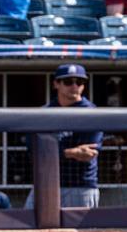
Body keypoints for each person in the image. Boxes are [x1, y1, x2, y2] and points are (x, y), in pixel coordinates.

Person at [25, 64, 102, 209]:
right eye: (68, 82)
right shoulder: (43, 113)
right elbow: (34, 151)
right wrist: (70, 152)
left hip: (80, 186)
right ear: (56, 84)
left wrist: (52, 151)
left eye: (79, 82)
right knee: (30, 228)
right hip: (45, 183)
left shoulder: (92, 113)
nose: (74, 86)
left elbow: (89, 153)